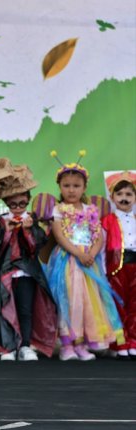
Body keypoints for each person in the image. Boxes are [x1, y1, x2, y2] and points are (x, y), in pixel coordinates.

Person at [0, 149, 57, 361]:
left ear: (28, 201)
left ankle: (26, 345)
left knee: (25, 310)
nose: (18, 207)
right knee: (5, 309)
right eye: (13, 204)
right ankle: (8, 347)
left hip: (28, 274)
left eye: (22, 203)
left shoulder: (31, 218)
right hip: (6, 273)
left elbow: (39, 244)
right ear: (6, 203)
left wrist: (30, 230)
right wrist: (8, 231)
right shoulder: (3, 220)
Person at [43, 152, 124, 360]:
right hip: (68, 260)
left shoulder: (90, 210)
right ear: (60, 187)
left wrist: (91, 254)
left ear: (84, 187)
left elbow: (98, 236)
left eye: (76, 186)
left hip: (88, 261)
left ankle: (82, 344)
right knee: (69, 300)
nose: (71, 190)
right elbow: (59, 235)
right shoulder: (59, 209)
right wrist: (78, 252)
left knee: (88, 302)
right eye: (67, 186)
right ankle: (67, 345)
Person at [101, 172, 136, 358]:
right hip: (116, 267)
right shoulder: (107, 220)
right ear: (112, 197)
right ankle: (119, 343)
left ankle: (134, 340)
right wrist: (103, 271)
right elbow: (100, 248)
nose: (124, 198)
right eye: (120, 194)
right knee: (118, 305)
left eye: (129, 194)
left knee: (135, 305)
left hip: (135, 266)